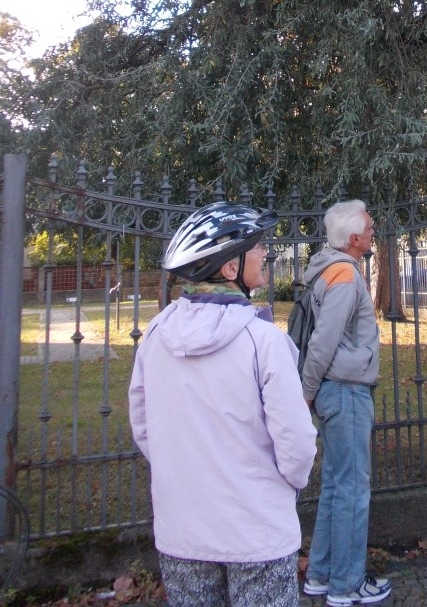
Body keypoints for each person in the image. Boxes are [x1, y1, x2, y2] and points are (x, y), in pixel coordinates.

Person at [129, 201, 317, 607]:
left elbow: (143, 427)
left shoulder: (156, 336)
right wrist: (281, 488)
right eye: (257, 247)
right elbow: (297, 442)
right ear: (231, 268)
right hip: (258, 534)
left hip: (182, 532)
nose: (265, 252)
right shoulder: (264, 341)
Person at [301, 200, 391, 607]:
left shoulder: (334, 268)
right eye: (369, 228)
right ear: (355, 239)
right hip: (346, 390)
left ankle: (321, 576)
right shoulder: (345, 277)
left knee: (337, 486)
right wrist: (306, 391)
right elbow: (322, 342)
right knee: (353, 489)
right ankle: (347, 585)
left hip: (337, 389)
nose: (373, 232)